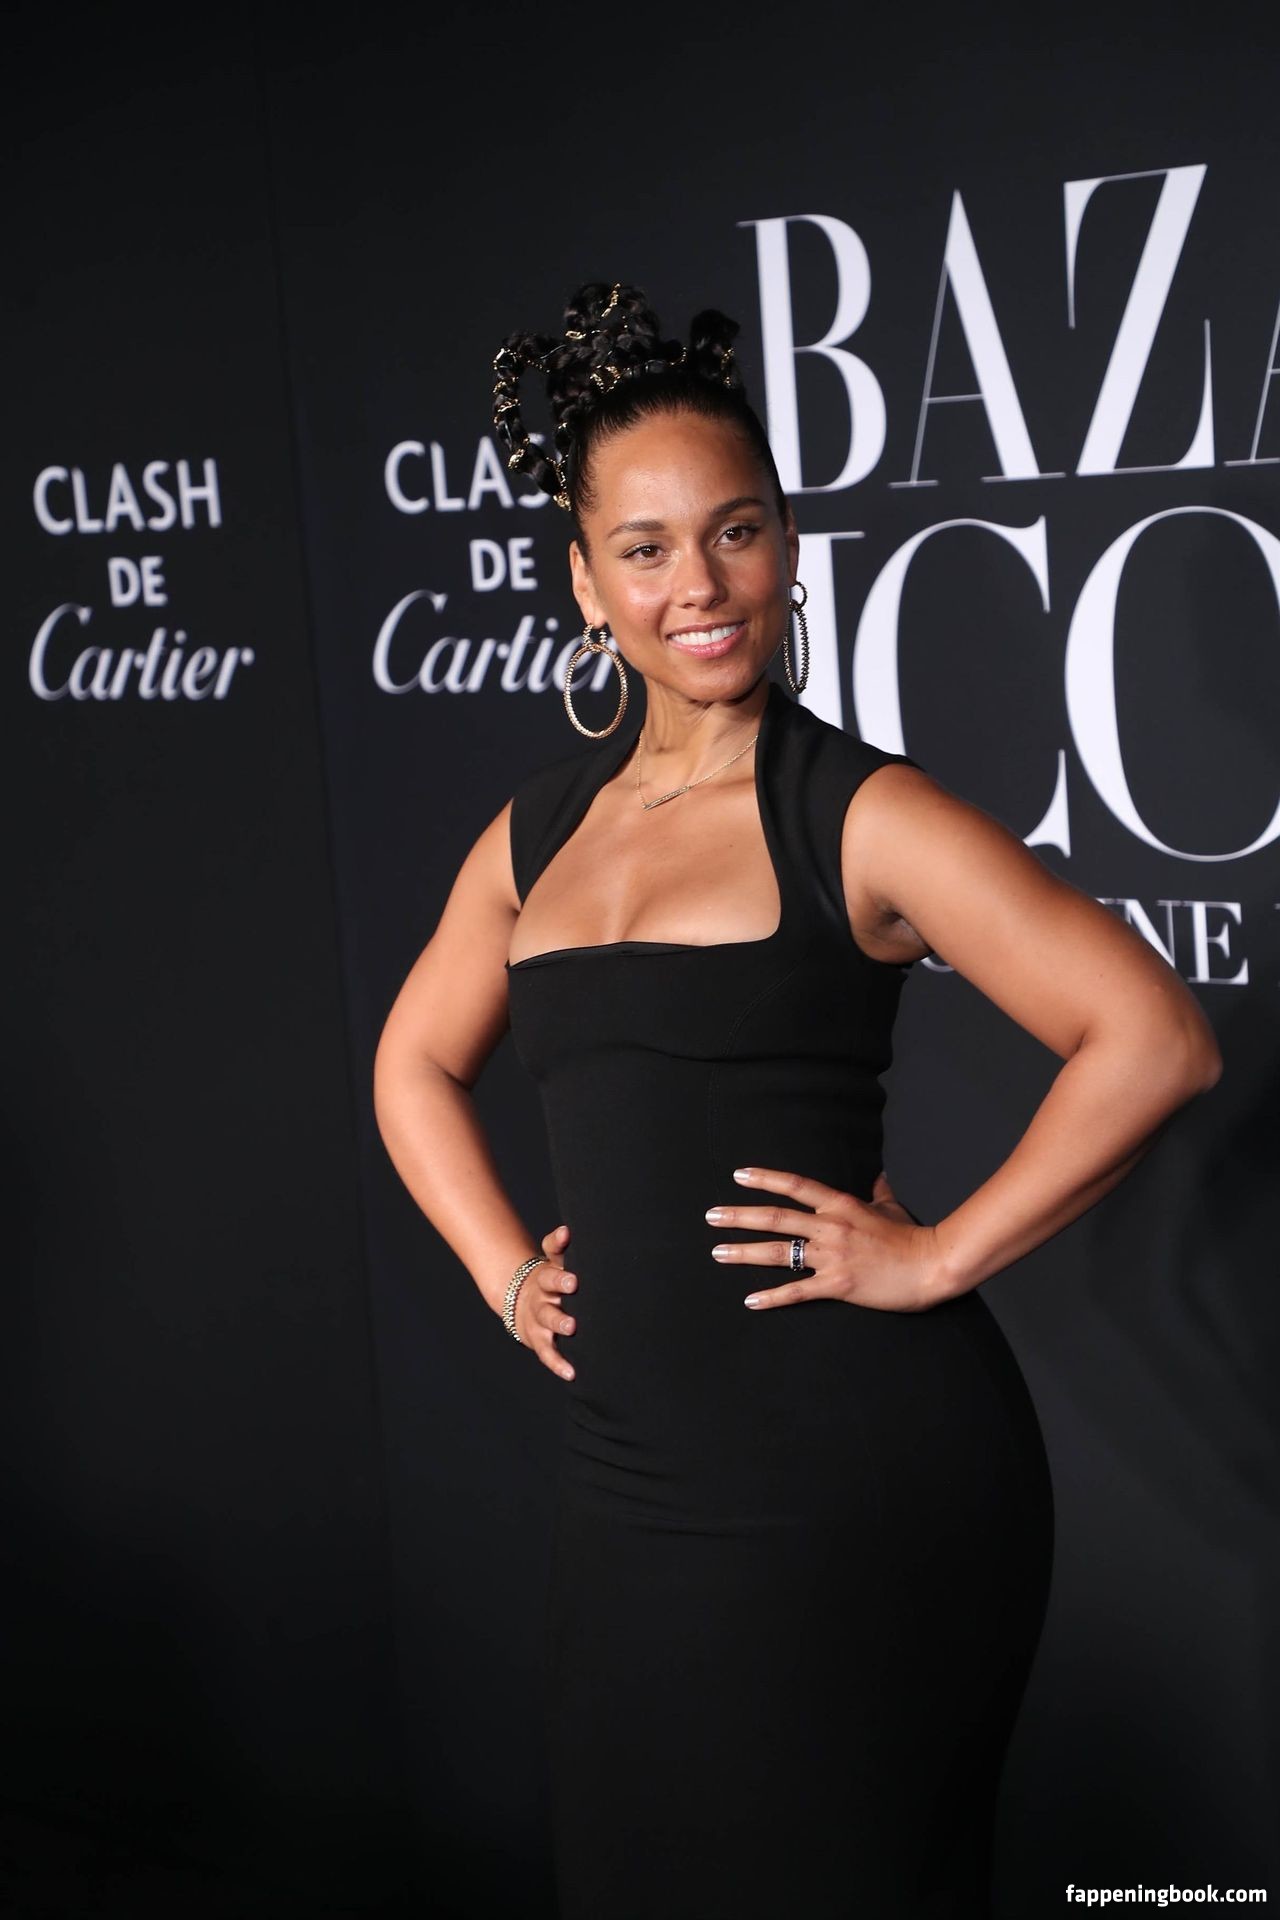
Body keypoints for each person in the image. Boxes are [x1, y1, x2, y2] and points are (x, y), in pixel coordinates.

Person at [372, 282, 1223, 1919]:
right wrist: (505, 1271)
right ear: (586, 583)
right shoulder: (537, 834)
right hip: (628, 1487)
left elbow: (1154, 1037)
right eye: (646, 548)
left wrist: (940, 1255)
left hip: (854, 1482)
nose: (699, 586)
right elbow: (412, 1064)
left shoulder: (862, 813)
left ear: (786, 545)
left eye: (737, 531)